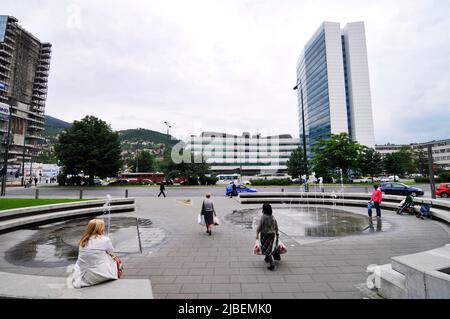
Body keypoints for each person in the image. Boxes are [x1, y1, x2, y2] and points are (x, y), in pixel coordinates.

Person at [68, 219, 119, 288]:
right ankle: (104, 272)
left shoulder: (83, 240)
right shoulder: (105, 239)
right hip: (99, 274)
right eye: (103, 226)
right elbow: (112, 251)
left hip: (80, 271)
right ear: (100, 228)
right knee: (111, 257)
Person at [256, 203, 279, 271]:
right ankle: (266, 258)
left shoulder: (263, 217)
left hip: (265, 234)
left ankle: (272, 264)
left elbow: (259, 226)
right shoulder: (272, 216)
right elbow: (276, 225)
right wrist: (277, 232)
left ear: (264, 209)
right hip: (272, 234)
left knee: (265, 248)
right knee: (269, 247)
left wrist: (257, 234)